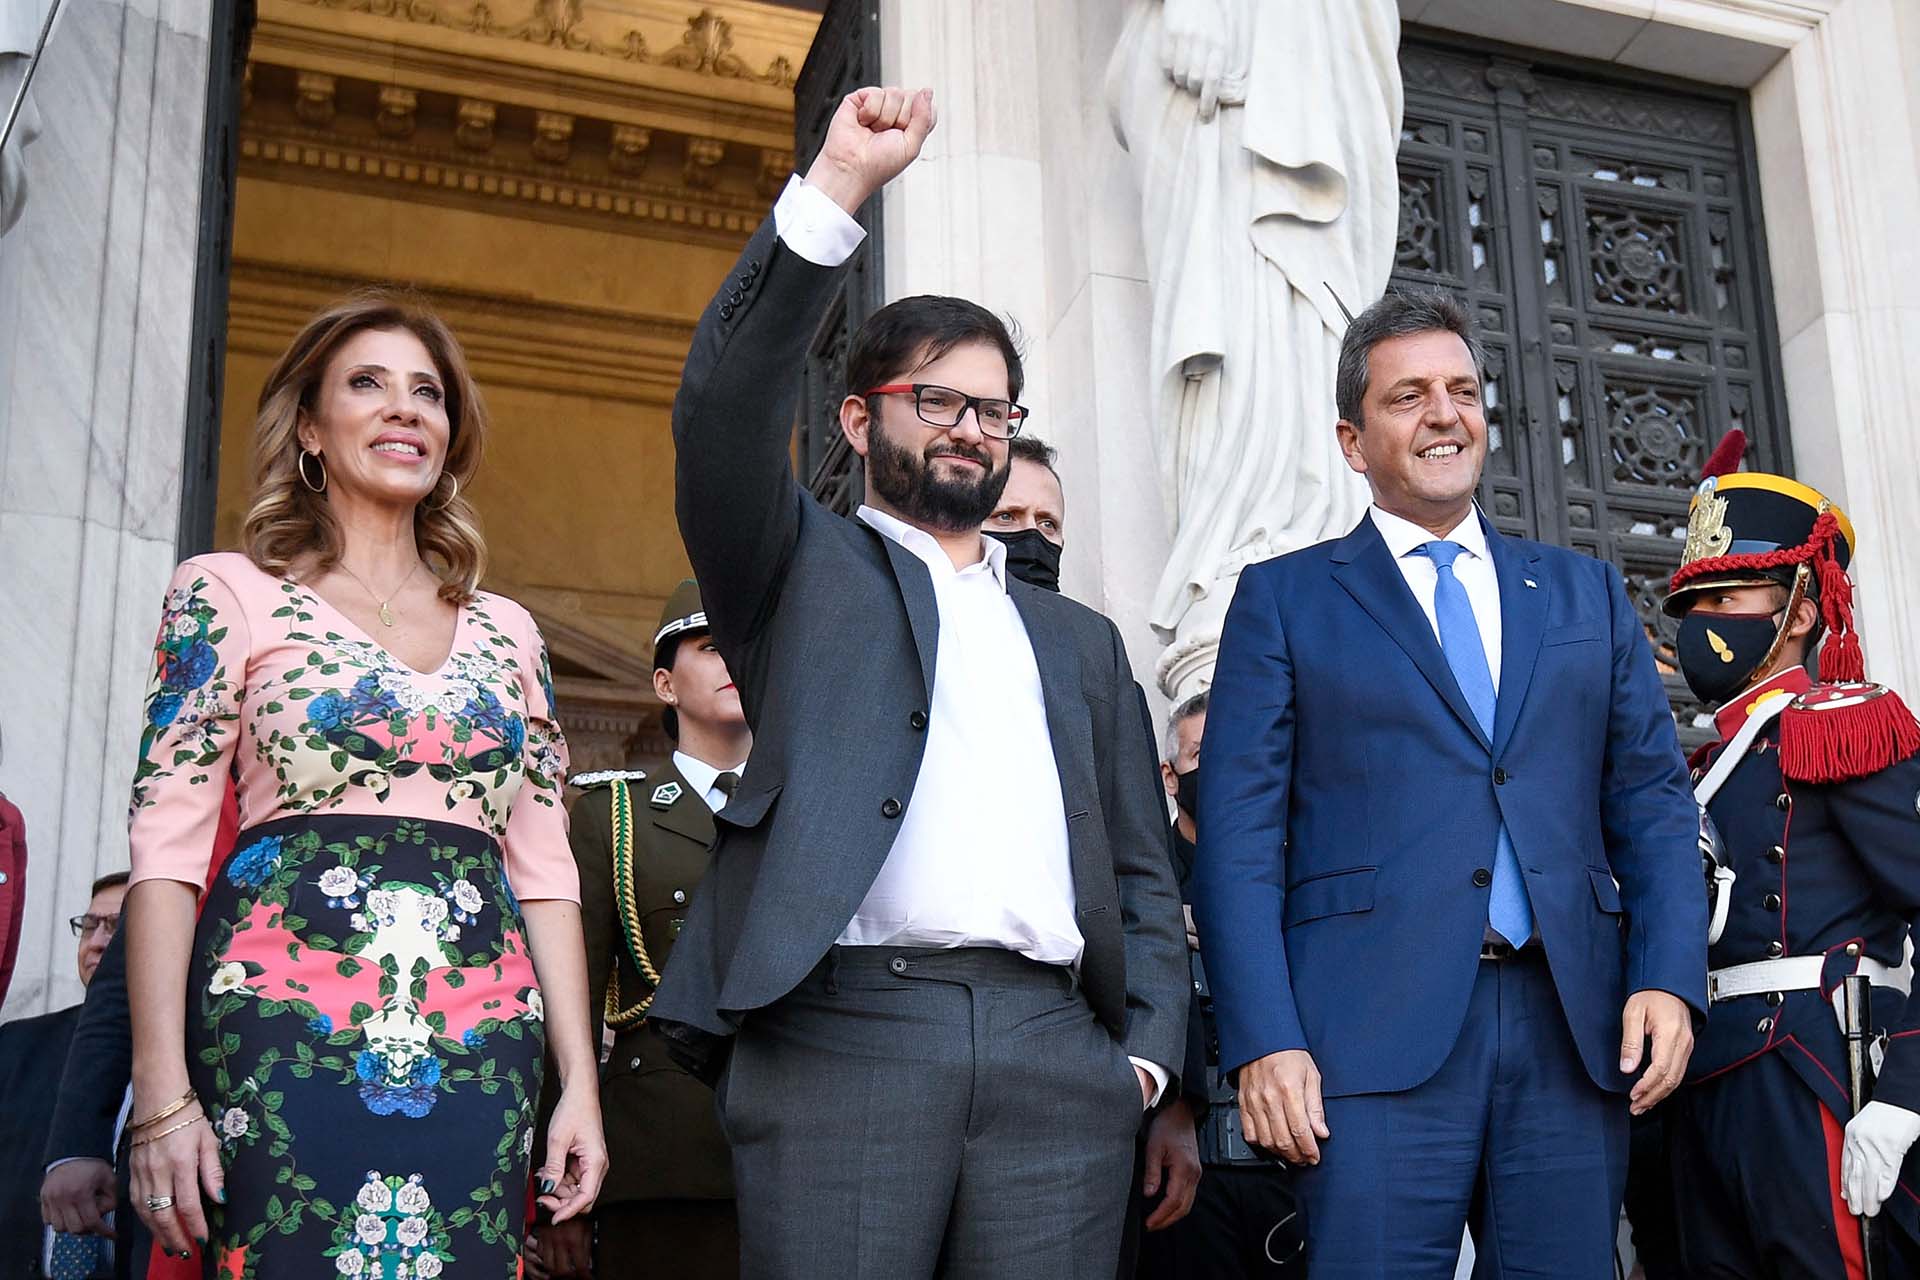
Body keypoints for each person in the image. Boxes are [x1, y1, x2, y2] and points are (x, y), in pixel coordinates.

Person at [653, 85, 1189, 1279]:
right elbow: (722, 411)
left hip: (1060, 1053)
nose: (970, 427)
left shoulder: (1079, 643)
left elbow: (1146, 874)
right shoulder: (797, 566)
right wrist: (838, 184)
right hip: (847, 1033)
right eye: (936, 398)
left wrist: (1142, 1056)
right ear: (857, 418)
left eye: (994, 407)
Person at [1195, 289, 1705, 1278]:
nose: (1445, 414)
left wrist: (1667, 974)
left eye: (1463, 390)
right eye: (1410, 396)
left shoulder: (1583, 591)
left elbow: (1651, 799)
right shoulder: (1284, 599)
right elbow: (1239, 840)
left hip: (1572, 1025)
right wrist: (1262, 1038)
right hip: (1365, 1037)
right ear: (1353, 437)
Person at [119, 290, 606, 1270]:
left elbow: (548, 873)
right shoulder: (223, 591)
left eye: (428, 392)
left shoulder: (510, 630)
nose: (405, 408)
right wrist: (162, 1088)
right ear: (308, 424)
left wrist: (579, 1089)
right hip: (281, 1021)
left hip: (485, 1031)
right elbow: (164, 849)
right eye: (368, 383)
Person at [1658, 433, 1920, 1278]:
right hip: (1701, 1086)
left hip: (1814, 1068)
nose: (1703, 624)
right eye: (1694, 604)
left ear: (1801, 609)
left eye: (1729, 597)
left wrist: (1909, 1095)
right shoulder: (1697, 767)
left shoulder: (1840, 723)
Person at [977, 439, 1205, 1269]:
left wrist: (1155, 1079)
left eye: (1048, 523)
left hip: (1078, 1061)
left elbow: (1147, 884)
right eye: (1008, 519)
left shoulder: (1098, 661)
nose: (1031, 539)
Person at [527, 580, 748, 1280]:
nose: (735, 661)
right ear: (665, 683)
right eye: (713, 647)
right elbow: (571, 1006)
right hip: (666, 1154)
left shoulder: (814, 807)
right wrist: (561, 1195)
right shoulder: (612, 817)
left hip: (814, 1148)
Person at [1141, 693, 1306, 1279]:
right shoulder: (1144, 875)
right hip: (1182, 1170)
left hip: (1291, 1165)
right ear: (1170, 774)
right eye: (1203, 753)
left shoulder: (1301, 871)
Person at [2, 872, 126, 1277]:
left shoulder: (194, 1052)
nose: (97, 941)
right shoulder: (17, 1045)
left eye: (118, 926)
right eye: (90, 925)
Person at [983, 434, 1068, 592]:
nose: (1032, 534)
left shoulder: (1082, 617)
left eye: (1047, 524)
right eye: (1006, 516)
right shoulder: (931, 612)